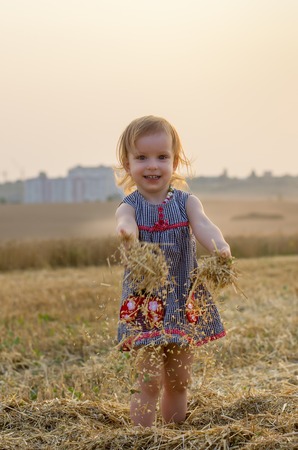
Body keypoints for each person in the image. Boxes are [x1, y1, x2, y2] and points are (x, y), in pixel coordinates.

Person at [114, 115, 231, 427]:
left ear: (175, 161)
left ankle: (176, 433)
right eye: (142, 158)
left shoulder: (187, 202)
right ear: (127, 164)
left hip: (181, 299)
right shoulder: (130, 206)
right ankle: (143, 437)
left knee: (179, 378)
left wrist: (219, 246)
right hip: (145, 303)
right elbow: (124, 224)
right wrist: (129, 237)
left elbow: (205, 225)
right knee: (148, 379)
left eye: (162, 157)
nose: (152, 165)